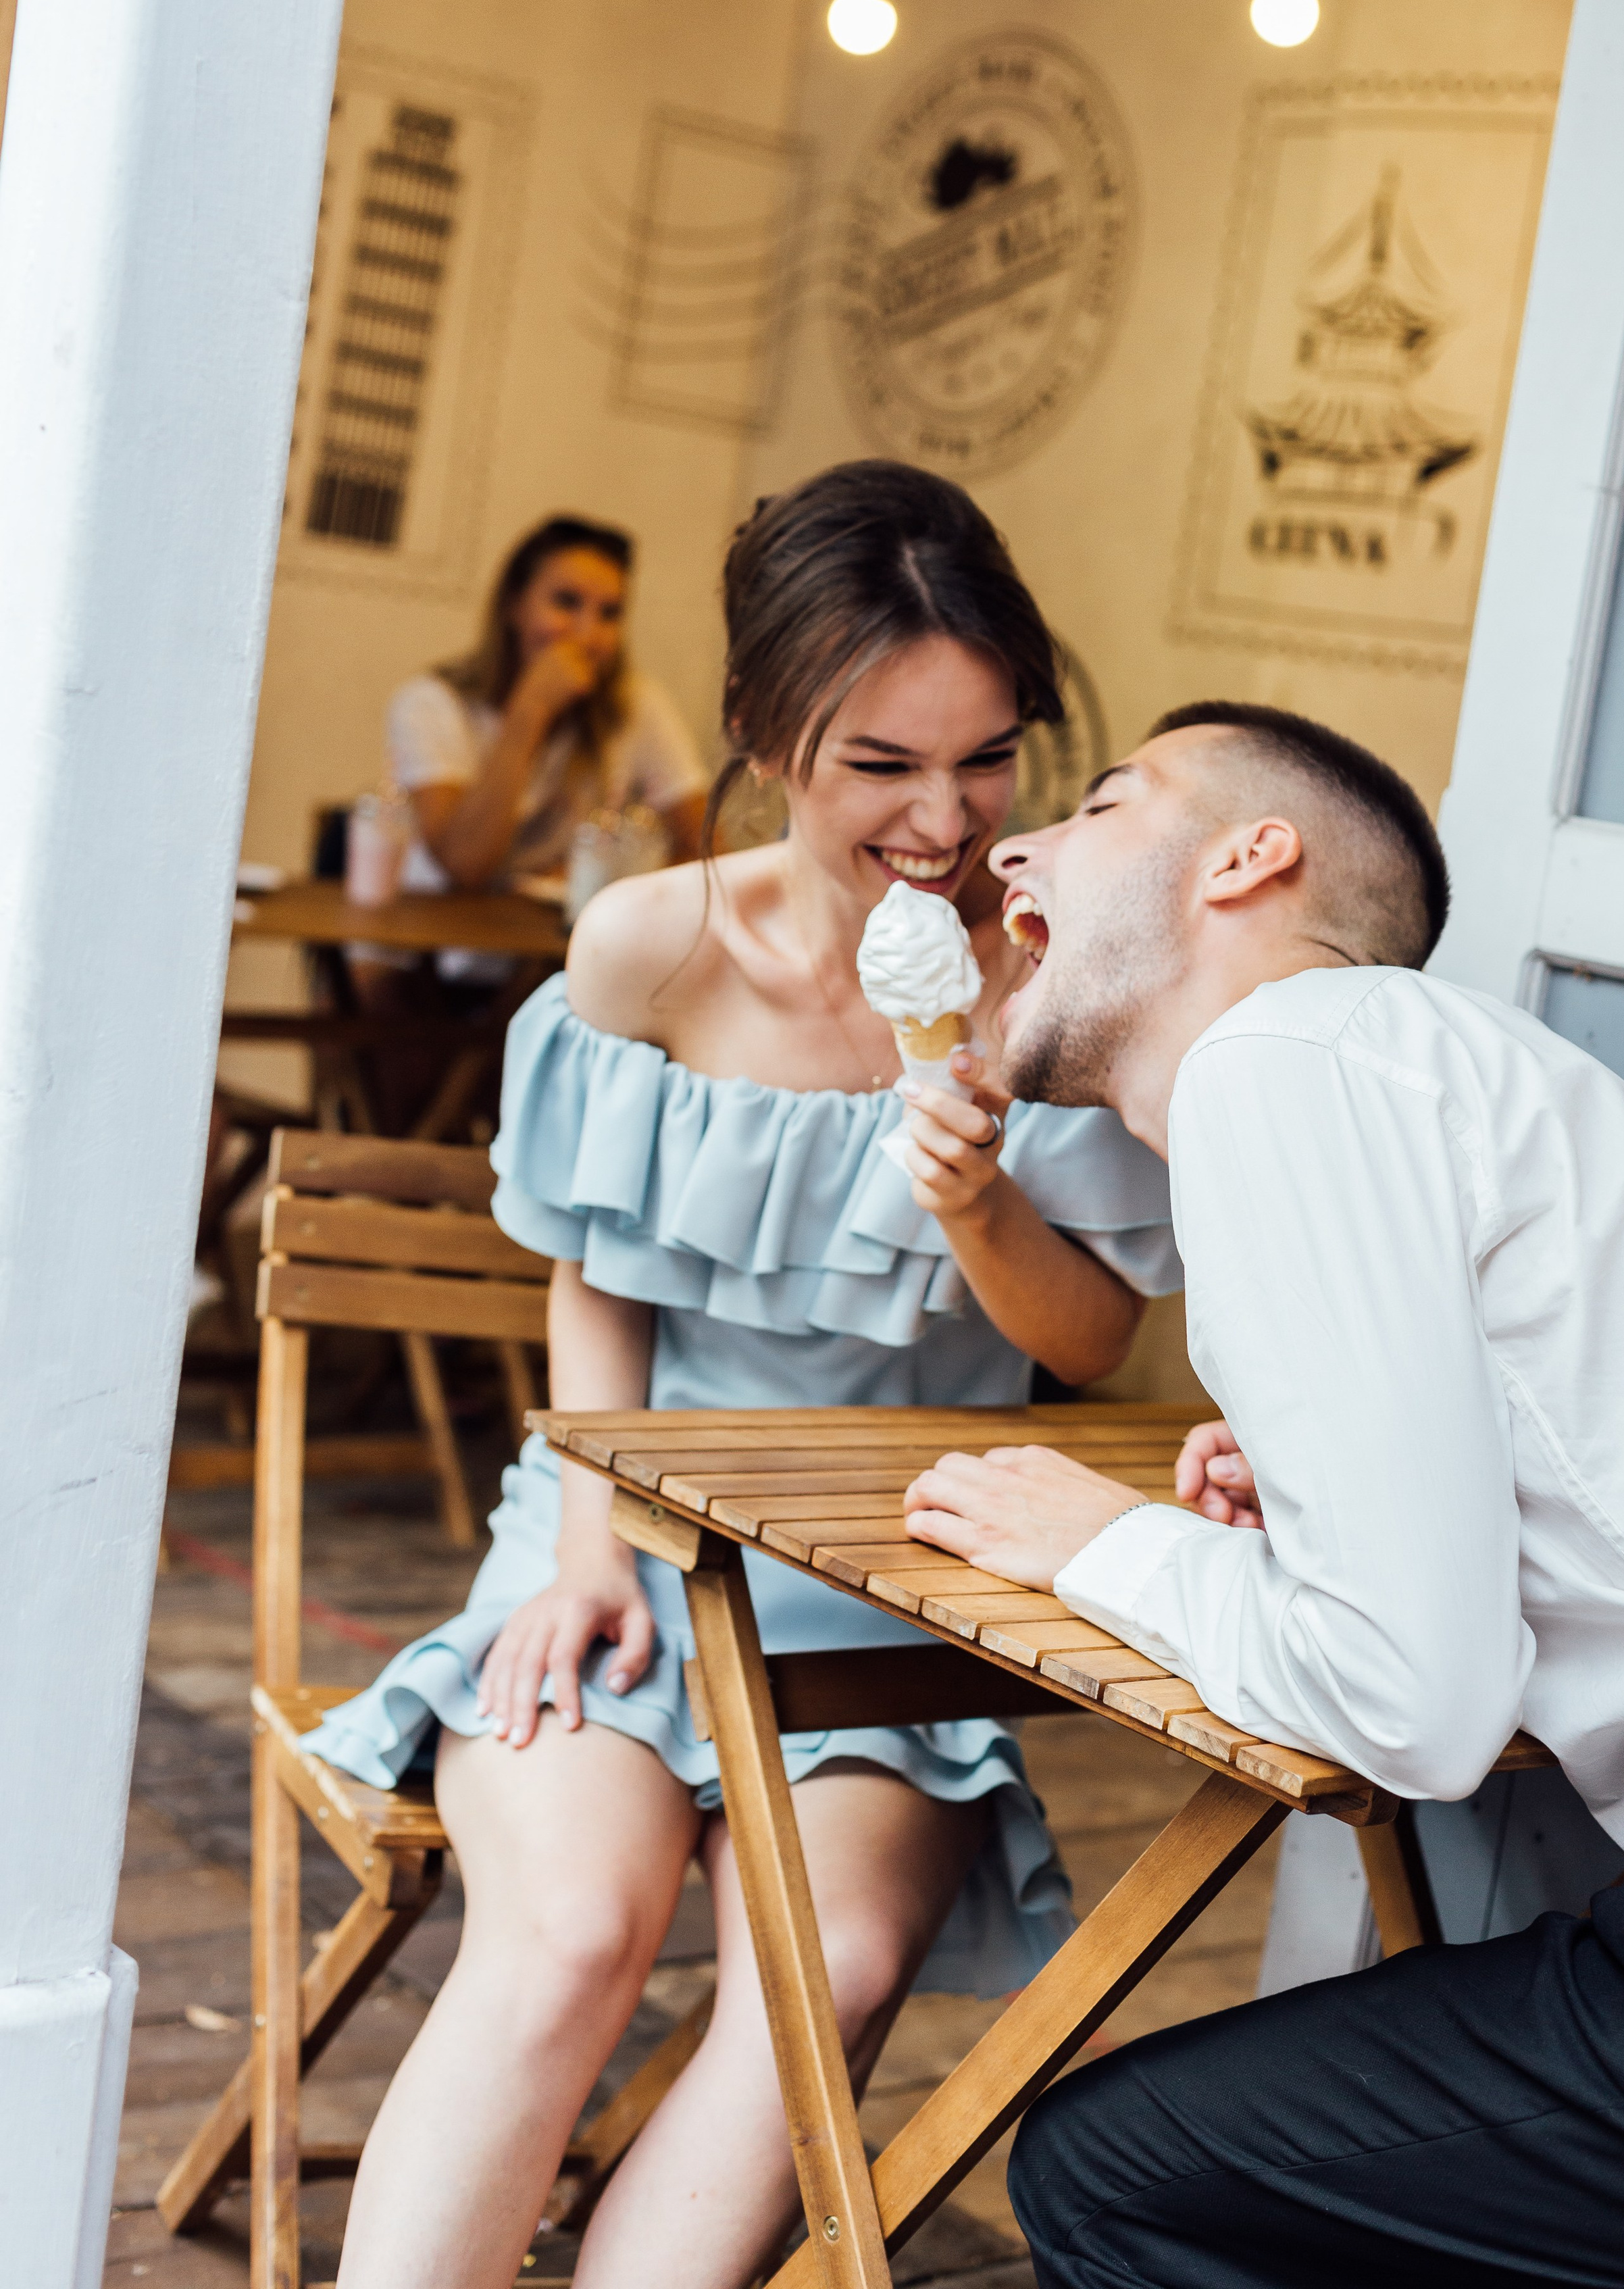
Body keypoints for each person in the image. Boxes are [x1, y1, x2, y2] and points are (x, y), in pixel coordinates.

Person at [309, 460, 1182, 2289]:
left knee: (836, 1965)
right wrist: (587, 1552)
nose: (944, 821)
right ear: (764, 736)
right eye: (883, 764)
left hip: (890, 1556)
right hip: (629, 1514)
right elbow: (597, 1280)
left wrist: (976, 1203)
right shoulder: (652, 949)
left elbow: (1089, 1344)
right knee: (566, 1939)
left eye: (987, 756)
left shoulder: (1054, 981)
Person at [903, 699, 1624, 2289]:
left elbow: (1409, 1702)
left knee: (1118, 2173)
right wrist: (1319, 1488)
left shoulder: (1281, 1060)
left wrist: (1100, 1540)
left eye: (1096, 802)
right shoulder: (1435, 1067)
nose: (1008, 842)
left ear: (1245, 858)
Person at [386, 511, 708, 904]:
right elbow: (465, 865)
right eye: (566, 602)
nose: (587, 635)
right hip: (429, 940)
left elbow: (710, 850)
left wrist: (615, 869)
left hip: (550, 943)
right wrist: (530, 711)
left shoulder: (636, 705)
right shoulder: (430, 704)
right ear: (514, 604)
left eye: (610, 613)